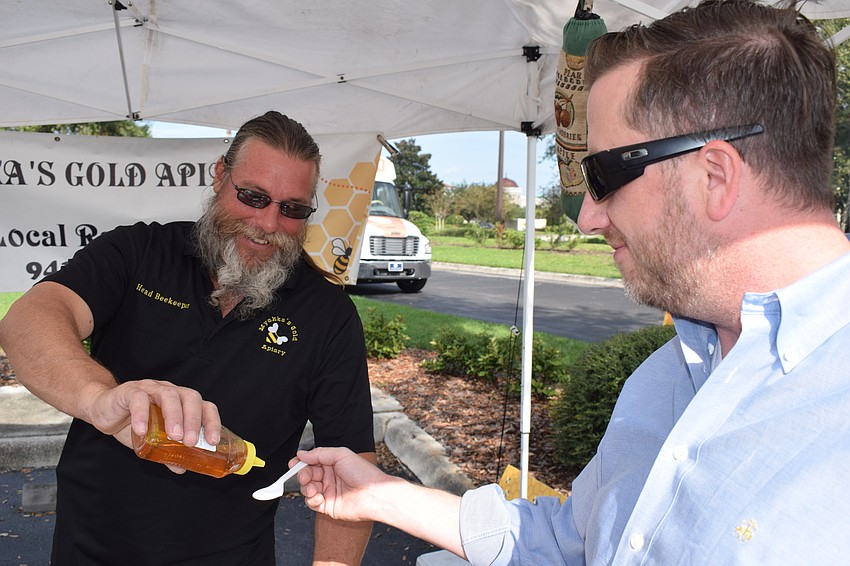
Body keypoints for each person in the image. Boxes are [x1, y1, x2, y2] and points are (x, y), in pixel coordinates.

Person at [291, 0, 850, 563]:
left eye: (603, 175)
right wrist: (383, 495)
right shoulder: (667, 376)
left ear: (715, 175)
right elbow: (569, 543)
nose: (587, 216)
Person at [0, 111, 377, 564]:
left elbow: (352, 468)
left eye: (292, 209)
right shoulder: (140, 252)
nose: (269, 224)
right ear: (220, 176)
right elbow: (30, 319)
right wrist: (101, 399)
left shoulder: (327, 315)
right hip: (90, 547)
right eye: (254, 197)